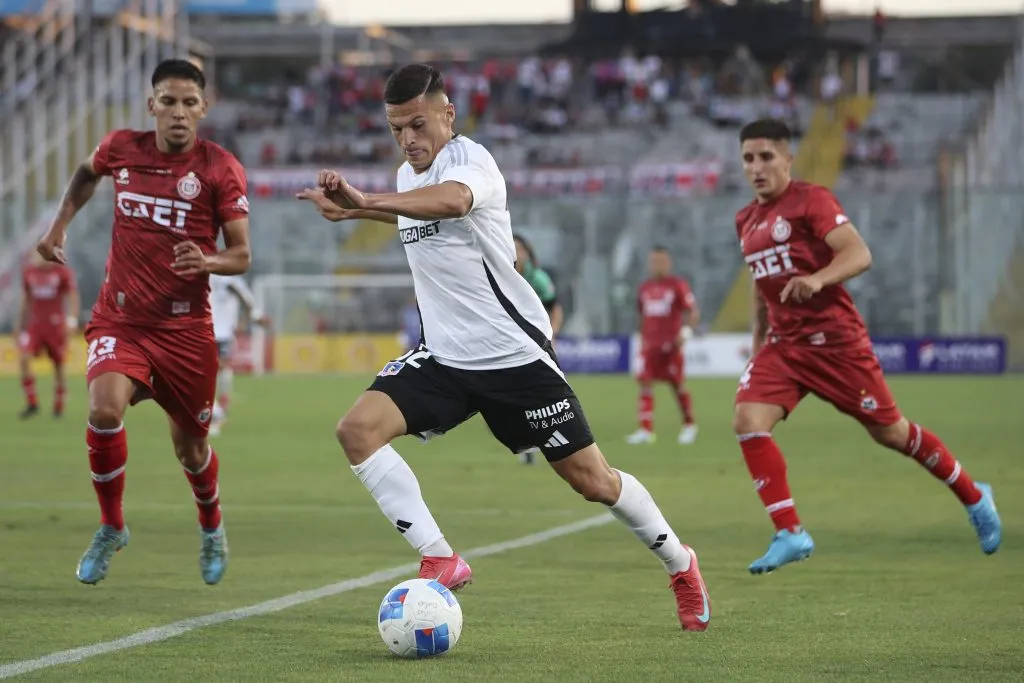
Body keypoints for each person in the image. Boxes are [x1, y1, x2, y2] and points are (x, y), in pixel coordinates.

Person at [297, 63, 711, 631]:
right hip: (444, 359)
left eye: (418, 125)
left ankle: (681, 564)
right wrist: (355, 208)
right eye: (397, 129)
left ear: (448, 114)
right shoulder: (405, 175)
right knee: (356, 431)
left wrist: (367, 201)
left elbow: (453, 201)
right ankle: (440, 556)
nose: (409, 140)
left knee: (594, 482)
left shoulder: (473, 162)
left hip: (514, 357)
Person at [732, 118, 1001, 575]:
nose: (757, 167)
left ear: (787, 158)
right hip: (786, 347)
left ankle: (975, 497)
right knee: (747, 419)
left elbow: (858, 253)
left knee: (892, 433)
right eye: (748, 159)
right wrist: (759, 344)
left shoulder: (811, 201)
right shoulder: (746, 219)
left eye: (766, 157)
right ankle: (791, 532)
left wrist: (817, 278)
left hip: (837, 345)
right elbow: (762, 287)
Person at [36, 59, 252, 586]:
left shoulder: (219, 168)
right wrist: (59, 224)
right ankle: (112, 525)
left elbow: (242, 254)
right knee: (104, 410)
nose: (178, 112)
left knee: (191, 448)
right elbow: (87, 173)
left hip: (184, 333)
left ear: (204, 108)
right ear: (151, 105)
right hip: (121, 319)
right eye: (168, 101)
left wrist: (207, 261)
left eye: (189, 103)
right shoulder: (120, 148)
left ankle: (211, 525)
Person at [627, 246, 700, 446]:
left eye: (660, 261)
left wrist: (685, 332)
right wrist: (641, 337)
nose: (656, 266)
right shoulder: (645, 288)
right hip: (650, 345)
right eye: (653, 262)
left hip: (670, 346)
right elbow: (642, 315)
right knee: (645, 383)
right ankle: (646, 430)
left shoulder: (677, 285)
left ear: (668, 263)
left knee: (677, 384)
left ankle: (689, 425)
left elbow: (692, 311)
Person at [513, 233, 563, 465]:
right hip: (511, 344)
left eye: (520, 248)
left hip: (538, 343)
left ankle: (556, 439)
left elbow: (555, 308)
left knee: (547, 395)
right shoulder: (500, 274)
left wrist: (551, 334)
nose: (517, 253)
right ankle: (529, 443)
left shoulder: (538, 279)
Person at [16, 249, 79, 419]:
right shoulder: (30, 272)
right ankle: (32, 402)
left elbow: (72, 296)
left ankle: (59, 405)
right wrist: (19, 324)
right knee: (24, 358)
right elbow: (26, 299)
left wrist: (72, 319)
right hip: (35, 325)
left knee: (58, 364)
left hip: (55, 325)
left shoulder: (61, 273)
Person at [208, 273, 267, 437]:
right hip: (212, 330)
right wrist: (253, 315)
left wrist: (248, 318)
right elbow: (239, 294)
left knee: (220, 369)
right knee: (215, 370)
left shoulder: (220, 276)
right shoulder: (219, 275)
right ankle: (216, 410)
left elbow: (240, 296)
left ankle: (218, 408)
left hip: (220, 331)